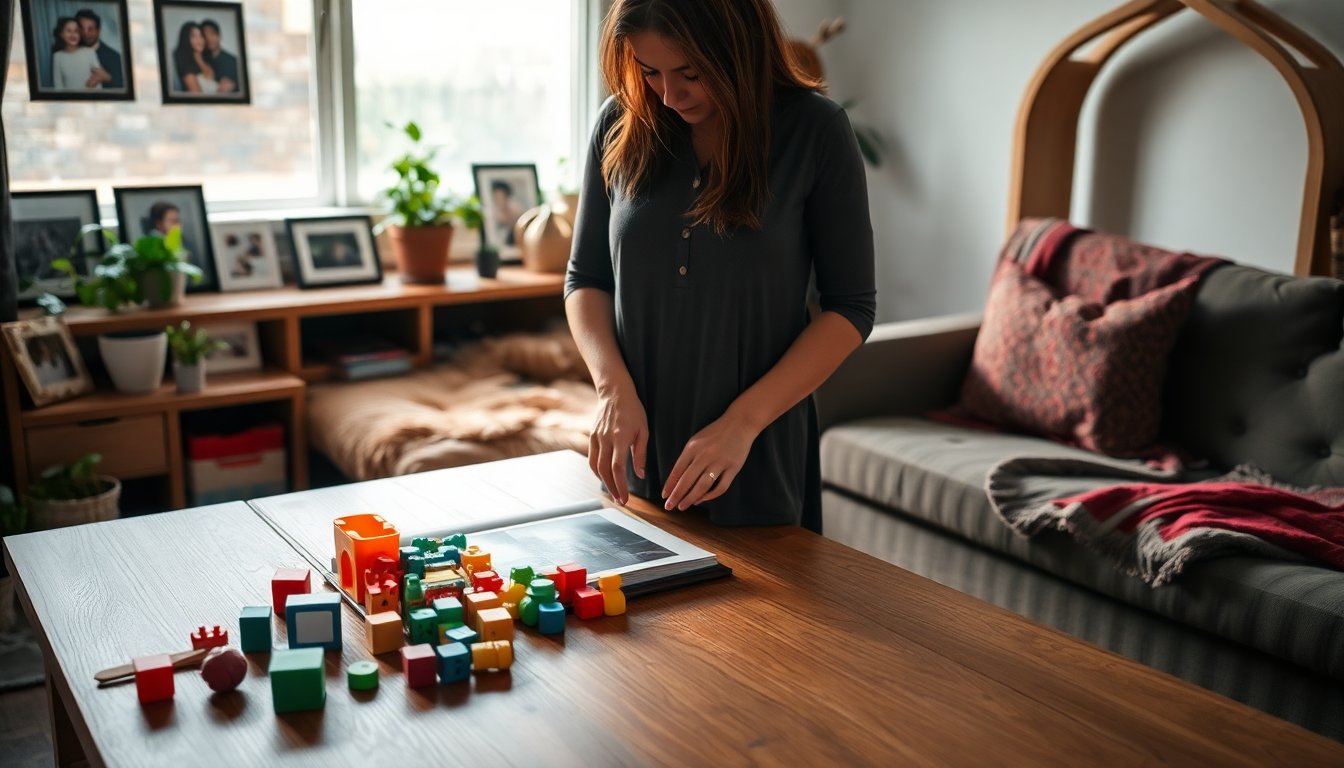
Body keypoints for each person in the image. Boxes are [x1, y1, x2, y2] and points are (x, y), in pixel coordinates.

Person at [565, 0, 876, 530]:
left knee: (767, 615)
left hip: (754, 453)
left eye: (690, 72)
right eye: (650, 71)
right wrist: (612, 391)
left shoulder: (814, 130)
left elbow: (850, 307)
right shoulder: (620, 122)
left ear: (740, 48)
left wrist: (742, 423)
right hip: (637, 457)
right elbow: (587, 278)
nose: (669, 93)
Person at [50, 17, 104, 91]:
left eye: (76, 31)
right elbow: (58, 86)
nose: (73, 34)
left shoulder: (89, 52)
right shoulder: (57, 56)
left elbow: (98, 81)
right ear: (61, 34)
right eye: (69, 31)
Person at [75, 8, 123, 90]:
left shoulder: (114, 57)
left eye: (90, 29)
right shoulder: (67, 52)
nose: (85, 33)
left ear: (99, 30)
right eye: (82, 29)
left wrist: (108, 78)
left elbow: (123, 88)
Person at [173, 21, 218, 94]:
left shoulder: (206, 58)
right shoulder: (185, 63)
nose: (199, 40)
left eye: (201, 36)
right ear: (186, 39)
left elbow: (211, 79)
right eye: (194, 36)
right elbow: (197, 95)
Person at [200, 19, 239, 93]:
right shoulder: (200, 60)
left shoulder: (234, 61)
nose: (209, 39)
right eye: (205, 36)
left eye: (212, 34)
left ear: (219, 36)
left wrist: (234, 85)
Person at [489, 181, 525, 247]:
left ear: (507, 197)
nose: (497, 200)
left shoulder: (516, 211)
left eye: (500, 197)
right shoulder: (494, 214)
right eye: (495, 197)